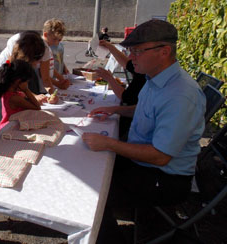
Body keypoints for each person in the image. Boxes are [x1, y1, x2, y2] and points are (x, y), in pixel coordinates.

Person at [82, 20, 206, 243]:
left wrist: (110, 144)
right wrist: (115, 110)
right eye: (131, 51)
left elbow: (160, 156)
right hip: (145, 165)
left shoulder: (180, 94)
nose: (131, 57)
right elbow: (144, 110)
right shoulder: (156, 78)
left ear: (164, 52)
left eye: (137, 51)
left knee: (90, 191)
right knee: (87, 163)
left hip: (166, 179)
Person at [94, 40, 147, 139]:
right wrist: (110, 47)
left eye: (136, 52)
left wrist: (109, 78)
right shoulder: (145, 69)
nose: (130, 56)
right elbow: (128, 64)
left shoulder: (145, 76)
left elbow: (126, 97)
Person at [0, 59, 41, 130]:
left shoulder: (10, 92)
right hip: (9, 129)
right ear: (18, 81)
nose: (27, 84)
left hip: (10, 126)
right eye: (27, 82)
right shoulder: (15, 98)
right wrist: (26, 90)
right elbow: (37, 107)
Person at [43, 18, 71, 90]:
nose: (57, 43)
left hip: (51, 82)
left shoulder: (50, 46)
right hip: (44, 86)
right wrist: (58, 84)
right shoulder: (43, 48)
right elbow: (44, 75)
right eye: (55, 39)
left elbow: (51, 65)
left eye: (59, 40)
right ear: (45, 35)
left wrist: (60, 77)